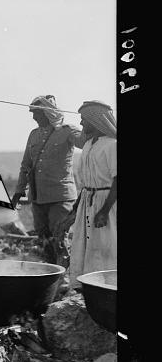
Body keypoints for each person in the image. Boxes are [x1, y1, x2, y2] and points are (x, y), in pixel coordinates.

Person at [10, 95, 86, 267]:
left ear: (47, 113)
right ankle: (50, 273)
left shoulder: (67, 131)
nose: (34, 117)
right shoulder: (34, 135)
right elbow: (25, 165)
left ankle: (63, 276)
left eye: (36, 113)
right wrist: (18, 192)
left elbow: (85, 143)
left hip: (60, 196)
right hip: (38, 197)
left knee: (59, 237)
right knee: (43, 238)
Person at [56, 101, 116, 290]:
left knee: (106, 246)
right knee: (87, 247)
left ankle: (108, 288)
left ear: (96, 120)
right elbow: (85, 184)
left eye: (84, 119)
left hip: (107, 203)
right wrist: (74, 211)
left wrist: (104, 211)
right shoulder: (89, 144)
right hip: (88, 202)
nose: (81, 123)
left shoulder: (113, 145)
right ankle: (89, 289)